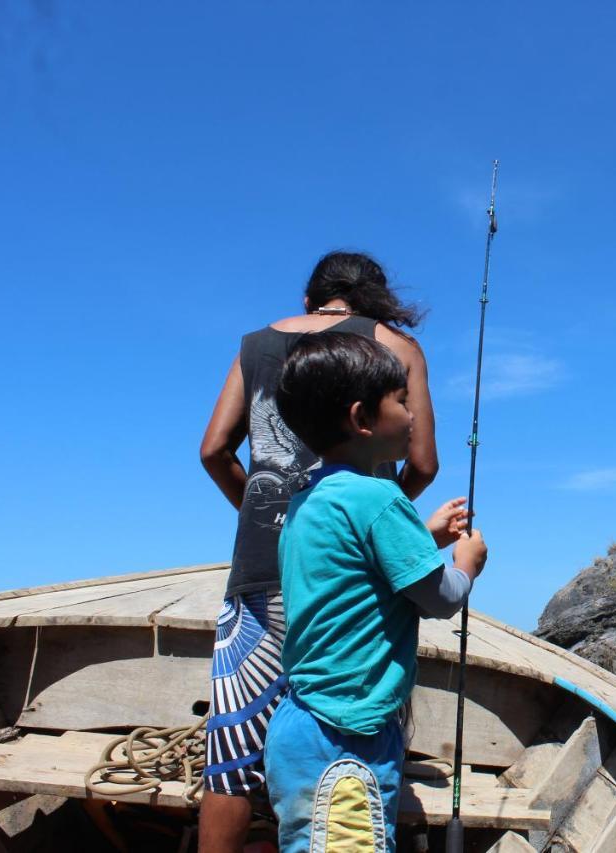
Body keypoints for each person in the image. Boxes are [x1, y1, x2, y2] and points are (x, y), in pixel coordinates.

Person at [197, 252, 441, 852]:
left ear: (313, 299)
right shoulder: (396, 347)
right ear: (376, 301)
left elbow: (213, 450)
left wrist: (283, 529)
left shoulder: (255, 344)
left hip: (259, 568)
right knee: (351, 728)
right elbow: (425, 464)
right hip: (356, 582)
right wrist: (385, 538)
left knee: (231, 750)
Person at [265, 331, 488, 851]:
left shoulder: (310, 501)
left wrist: (424, 538)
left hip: (302, 723)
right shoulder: (380, 497)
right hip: (350, 731)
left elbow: (353, 567)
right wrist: (466, 564)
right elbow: (442, 598)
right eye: (402, 401)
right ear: (364, 418)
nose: (413, 415)